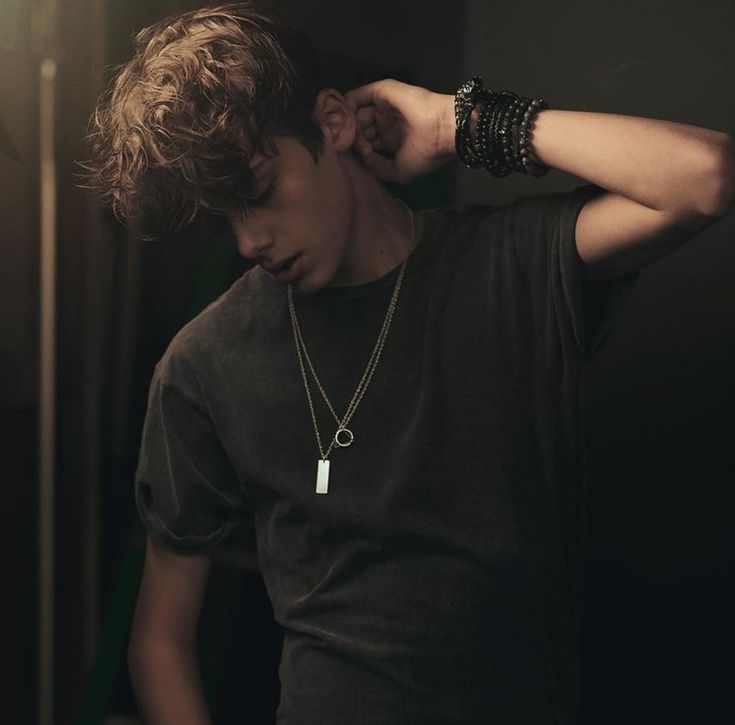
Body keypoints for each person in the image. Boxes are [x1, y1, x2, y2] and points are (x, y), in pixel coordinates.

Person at [80, 2, 734, 724]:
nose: (248, 241)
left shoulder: (506, 264)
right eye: (224, 216)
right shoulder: (205, 363)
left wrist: (457, 123)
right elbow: (159, 642)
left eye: (259, 193)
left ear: (331, 123)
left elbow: (702, 177)